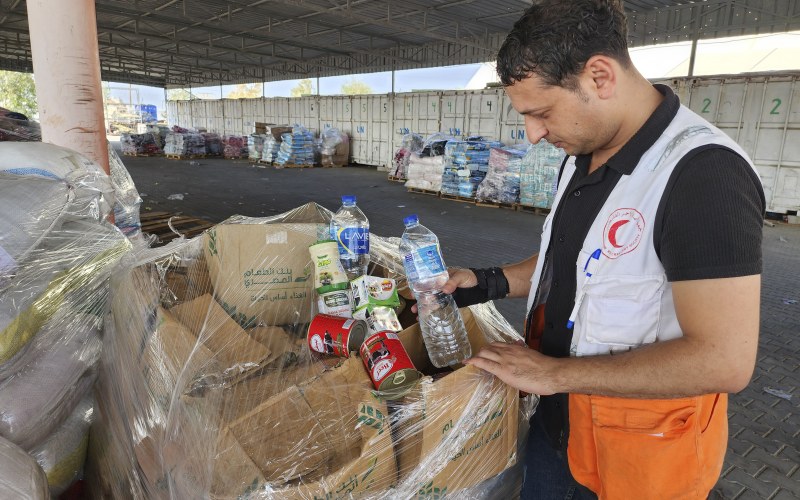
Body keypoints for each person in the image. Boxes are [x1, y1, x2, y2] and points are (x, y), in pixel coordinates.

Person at [445, 1, 765, 498]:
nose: (533, 134)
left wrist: (553, 373)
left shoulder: (703, 175)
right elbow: (580, 263)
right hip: (558, 431)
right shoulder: (581, 154)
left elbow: (724, 359)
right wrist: (488, 281)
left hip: (640, 457)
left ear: (599, 76)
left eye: (542, 112)